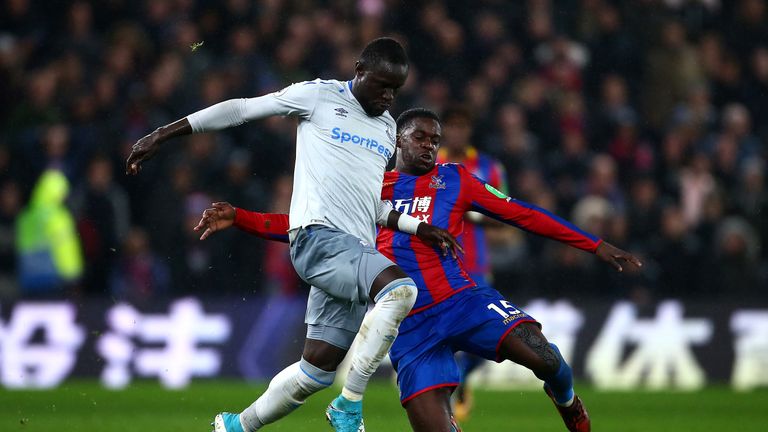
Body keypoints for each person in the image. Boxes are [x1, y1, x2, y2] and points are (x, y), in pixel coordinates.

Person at [194, 108, 643, 432]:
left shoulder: (456, 178)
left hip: (464, 301)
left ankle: (567, 403)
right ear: (398, 141)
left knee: (546, 359)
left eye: (435, 138)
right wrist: (241, 217)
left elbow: (522, 214)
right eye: (421, 137)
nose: (431, 145)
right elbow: (306, 228)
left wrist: (595, 244)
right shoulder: (369, 186)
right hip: (409, 330)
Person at [125, 39, 461, 432]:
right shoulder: (318, 95)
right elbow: (241, 109)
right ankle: (348, 406)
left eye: (395, 89)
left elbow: (371, 205)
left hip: (353, 253)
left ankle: (236, 425)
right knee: (401, 291)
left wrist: (418, 227)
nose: (388, 96)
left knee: (314, 373)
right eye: (382, 84)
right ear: (359, 69)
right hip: (318, 240)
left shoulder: (388, 129)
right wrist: (163, 133)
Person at [437, 105, 510, 419]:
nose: (456, 132)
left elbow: (502, 216)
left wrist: (466, 214)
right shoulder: (428, 162)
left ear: (469, 131)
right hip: (436, 264)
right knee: (441, 337)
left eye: (461, 126)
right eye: (450, 126)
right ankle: (443, 397)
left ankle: (462, 375)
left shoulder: (487, 167)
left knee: (496, 335)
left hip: (476, 266)